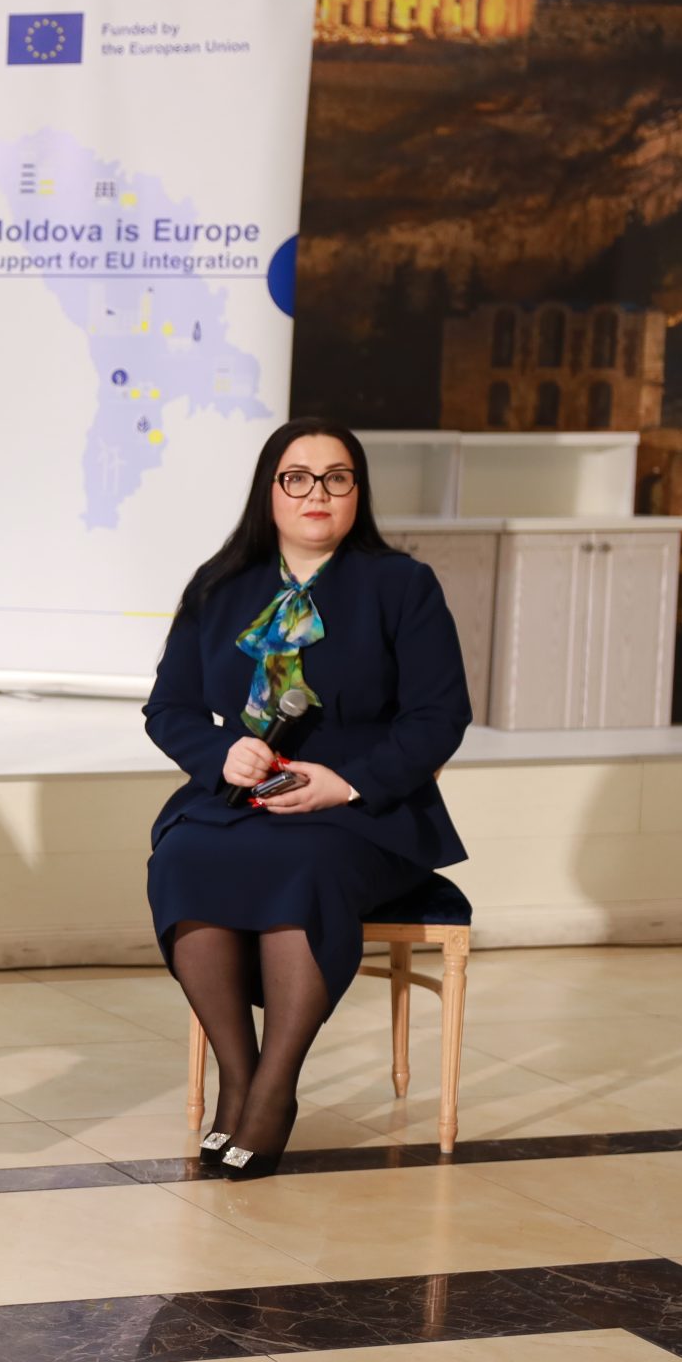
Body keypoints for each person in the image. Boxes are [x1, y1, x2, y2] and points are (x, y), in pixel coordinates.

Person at [144, 417, 471, 1179]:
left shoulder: (403, 585)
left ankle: (275, 1090)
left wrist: (346, 783)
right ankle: (238, 1074)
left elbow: (439, 716)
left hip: (365, 809)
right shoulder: (219, 585)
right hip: (242, 795)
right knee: (183, 856)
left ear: (358, 492)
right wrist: (221, 754)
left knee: (304, 866)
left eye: (336, 477)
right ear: (270, 491)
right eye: (297, 478)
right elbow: (170, 708)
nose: (316, 493)